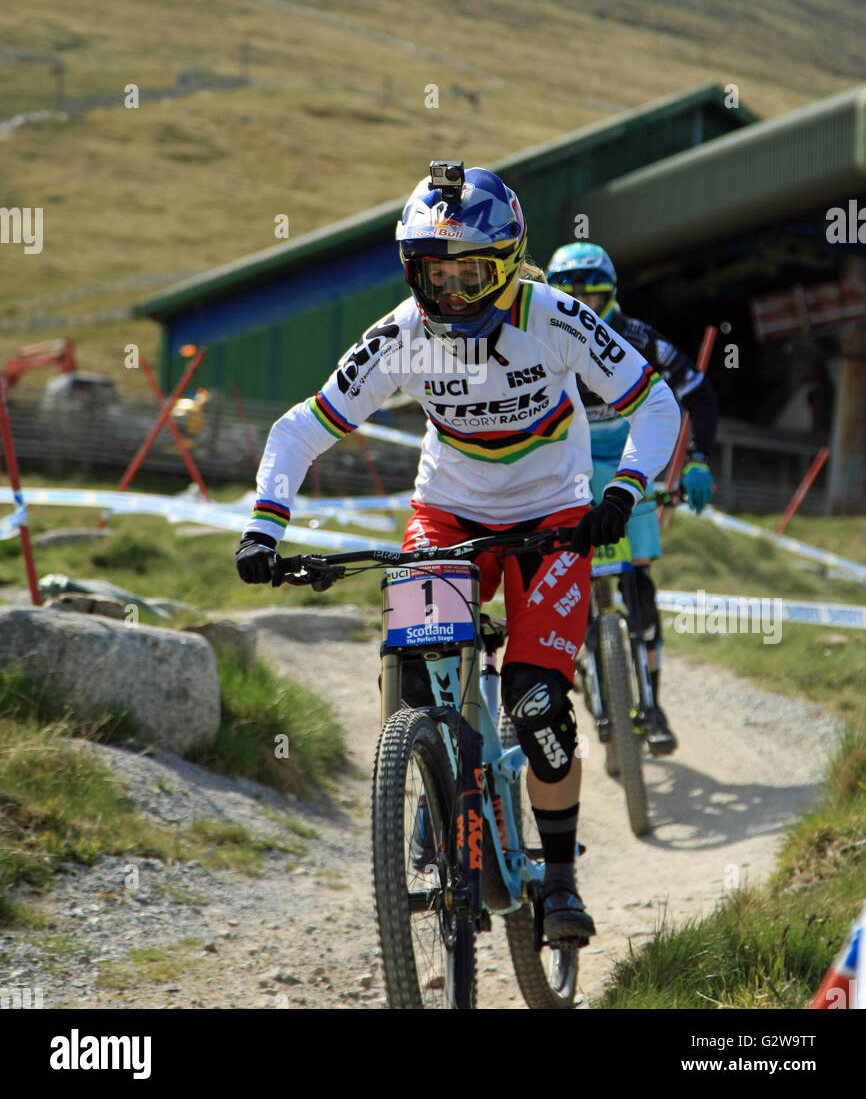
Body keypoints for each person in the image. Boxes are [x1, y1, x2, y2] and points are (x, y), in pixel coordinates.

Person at [237, 164, 680, 944]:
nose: (448, 295)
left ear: (507, 266)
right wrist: (265, 528)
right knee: (418, 663)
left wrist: (625, 492)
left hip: (556, 515)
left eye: (469, 274)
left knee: (538, 704)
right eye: (430, 275)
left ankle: (562, 881)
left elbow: (656, 402)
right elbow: (300, 428)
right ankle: (432, 790)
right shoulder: (402, 334)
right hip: (447, 512)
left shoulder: (554, 315)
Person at [545, 241, 718, 753]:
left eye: (593, 298)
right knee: (557, 578)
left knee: (638, 578)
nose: (582, 308)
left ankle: (653, 701)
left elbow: (699, 392)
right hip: (567, 465)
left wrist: (699, 459)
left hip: (630, 465)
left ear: (613, 296)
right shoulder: (537, 334)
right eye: (568, 295)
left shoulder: (639, 337)